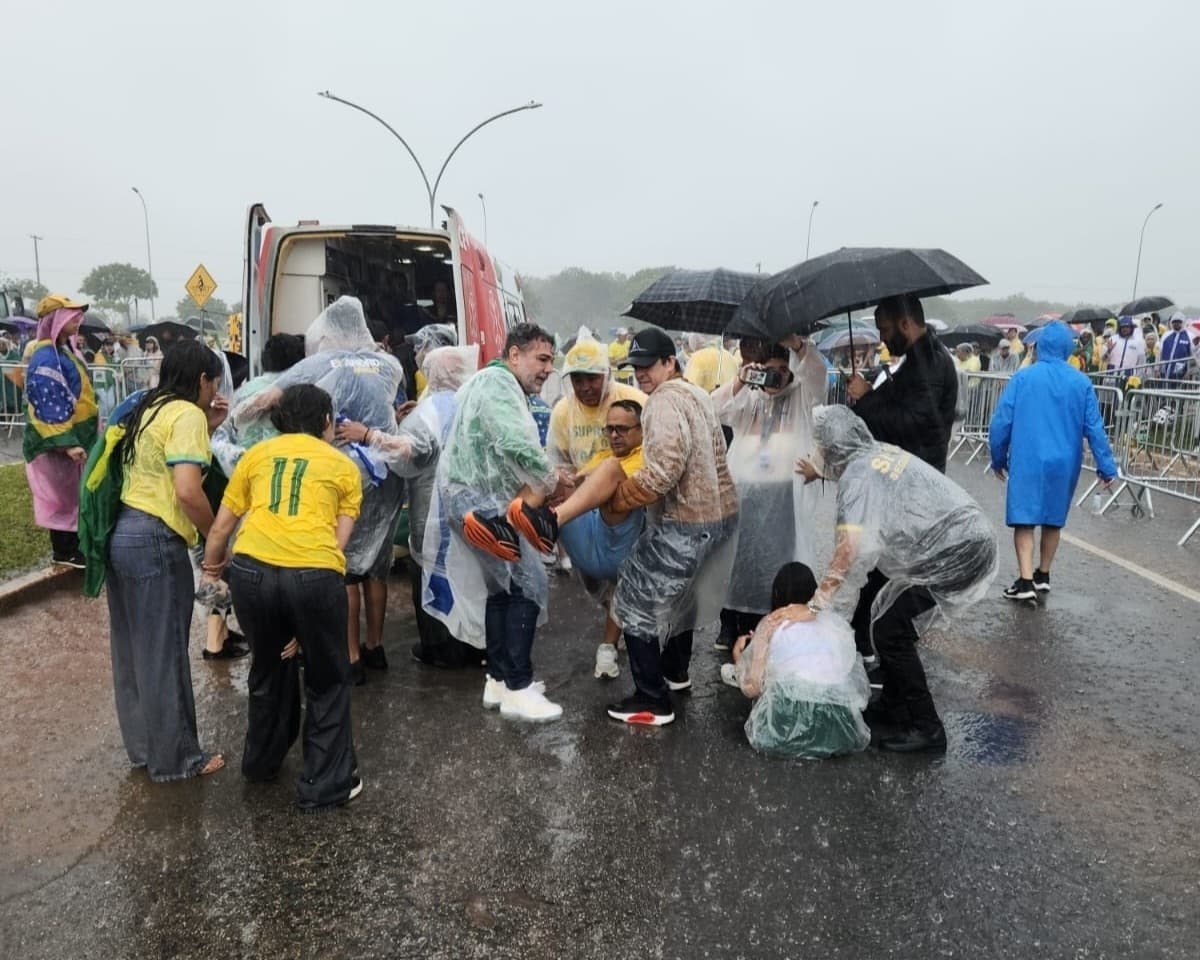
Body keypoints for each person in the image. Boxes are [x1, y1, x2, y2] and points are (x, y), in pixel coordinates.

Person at [509, 326, 740, 726]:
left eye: (649, 365)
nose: (642, 374)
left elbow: (664, 471)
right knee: (677, 596)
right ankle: (673, 674)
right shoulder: (695, 394)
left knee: (633, 596)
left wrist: (616, 501)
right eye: (636, 367)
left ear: (671, 362)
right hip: (719, 516)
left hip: (690, 521)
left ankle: (652, 700)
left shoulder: (663, 402)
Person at [201, 384, 364, 811]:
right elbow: (337, 543)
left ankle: (261, 762)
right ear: (326, 421)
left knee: (268, 668)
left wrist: (212, 573)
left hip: (251, 571)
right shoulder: (343, 467)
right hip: (314, 574)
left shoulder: (256, 457)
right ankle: (324, 785)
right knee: (328, 680)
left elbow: (220, 530)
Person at [799, 405, 997, 752]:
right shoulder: (874, 453)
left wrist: (818, 606)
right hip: (966, 538)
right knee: (885, 618)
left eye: (820, 445)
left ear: (833, 447)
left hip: (959, 550)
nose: (817, 452)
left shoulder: (857, 479)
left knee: (890, 630)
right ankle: (894, 705)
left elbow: (848, 554)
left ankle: (928, 728)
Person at [242, 297, 406, 684]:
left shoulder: (319, 364)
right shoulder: (388, 363)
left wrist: (237, 418)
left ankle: (349, 658)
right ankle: (375, 647)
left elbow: (268, 398)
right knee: (377, 569)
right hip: (386, 472)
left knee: (345, 567)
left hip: (342, 472)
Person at [106, 340, 228, 780]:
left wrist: (210, 428)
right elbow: (187, 490)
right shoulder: (187, 413)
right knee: (165, 654)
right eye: (213, 380)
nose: (214, 388)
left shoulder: (150, 408)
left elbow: (164, 467)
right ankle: (177, 760)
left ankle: (144, 748)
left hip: (123, 535)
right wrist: (216, 535)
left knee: (134, 651)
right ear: (201, 380)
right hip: (157, 540)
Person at [439, 323, 564, 721]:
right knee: (530, 582)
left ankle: (497, 679)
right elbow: (514, 440)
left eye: (550, 361)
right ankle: (519, 687)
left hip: (470, 499)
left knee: (502, 588)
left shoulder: (489, 381)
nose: (547, 370)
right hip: (481, 504)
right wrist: (553, 478)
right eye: (541, 359)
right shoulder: (498, 384)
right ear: (514, 355)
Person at [338, 345, 480, 668]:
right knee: (469, 575)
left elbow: (404, 452)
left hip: (433, 515)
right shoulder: (472, 405)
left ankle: (439, 649)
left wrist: (369, 434)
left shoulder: (426, 414)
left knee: (433, 573)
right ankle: (475, 646)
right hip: (472, 513)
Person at [988, 323, 1117, 601]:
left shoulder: (1023, 378)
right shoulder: (1081, 382)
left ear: (1040, 346)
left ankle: (1024, 581)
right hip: (1065, 460)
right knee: (1053, 520)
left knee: (1024, 520)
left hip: (1028, 458)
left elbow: (1001, 421)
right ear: (1067, 348)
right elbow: (1094, 428)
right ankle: (1043, 574)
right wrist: (1107, 467)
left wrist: (997, 457)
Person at [710, 336, 826, 649]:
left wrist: (800, 348)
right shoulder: (752, 395)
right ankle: (729, 623)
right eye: (768, 370)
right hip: (743, 494)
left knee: (775, 563)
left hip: (782, 500)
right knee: (736, 561)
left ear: (792, 372)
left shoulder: (800, 397)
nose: (774, 377)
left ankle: (770, 623)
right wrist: (741, 379)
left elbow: (817, 376)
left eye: (781, 370)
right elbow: (715, 409)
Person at [545, 333, 646, 676]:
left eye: (592, 377)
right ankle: (512, 531)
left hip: (624, 511)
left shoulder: (634, 401)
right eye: (577, 379)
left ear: (608, 375)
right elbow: (556, 464)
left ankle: (610, 647)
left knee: (626, 581)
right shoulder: (563, 412)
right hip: (580, 514)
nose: (585, 386)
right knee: (601, 588)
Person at [726, 562, 870, 759]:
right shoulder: (833, 622)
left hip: (784, 732)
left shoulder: (771, 623)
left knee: (763, 679)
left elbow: (752, 688)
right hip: (839, 731)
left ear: (777, 593)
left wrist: (739, 656)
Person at [22, 295, 98, 567]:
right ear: (55, 319)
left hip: (77, 436)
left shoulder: (65, 352)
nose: (78, 319)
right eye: (71, 315)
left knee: (73, 494)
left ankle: (76, 546)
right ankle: (65, 551)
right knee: (61, 497)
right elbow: (47, 401)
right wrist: (66, 443)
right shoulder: (46, 357)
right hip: (59, 442)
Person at [1159, 313, 1194, 382]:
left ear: (1183, 322)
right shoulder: (1166, 335)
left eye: (1179, 322)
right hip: (1164, 371)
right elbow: (1159, 353)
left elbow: (1193, 356)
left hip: (1181, 374)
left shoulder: (1189, 336)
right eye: (1174, 322)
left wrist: (1189, 372)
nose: (1176, 323)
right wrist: (1157, 369)